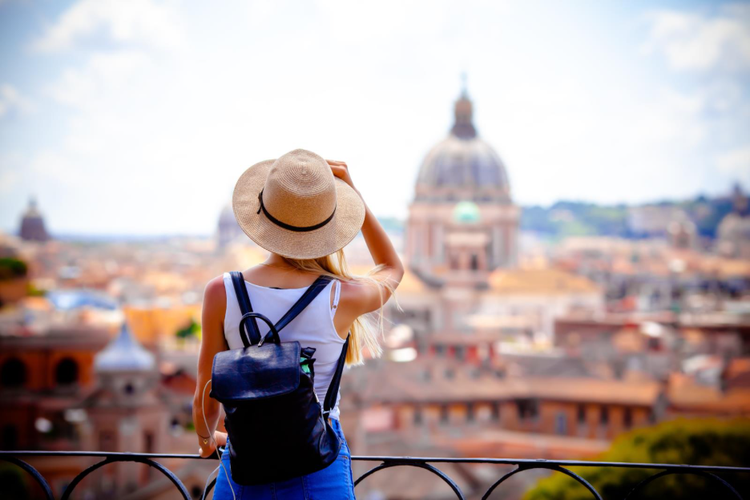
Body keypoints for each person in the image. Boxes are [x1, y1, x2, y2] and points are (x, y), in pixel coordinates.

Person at [192, 149, 404, 499]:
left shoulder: (221, 291)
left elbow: (205, 392)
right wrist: (356, 198)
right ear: (331, 222)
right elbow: (392, 269)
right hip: (319, 467)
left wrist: (205, 442)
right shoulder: (342, 295)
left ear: (263, 215)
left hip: (244, 470)